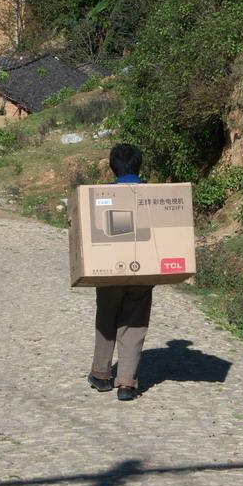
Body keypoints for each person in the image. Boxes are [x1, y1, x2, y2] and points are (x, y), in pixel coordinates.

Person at [87, 143, 153, 401]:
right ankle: (126, 382)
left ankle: (101, 375)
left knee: (106, 320)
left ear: (113, 167)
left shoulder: (100, 196)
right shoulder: (151, 197)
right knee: (135, 325)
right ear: (139, 166)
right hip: (142, 271)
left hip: (108, 271)